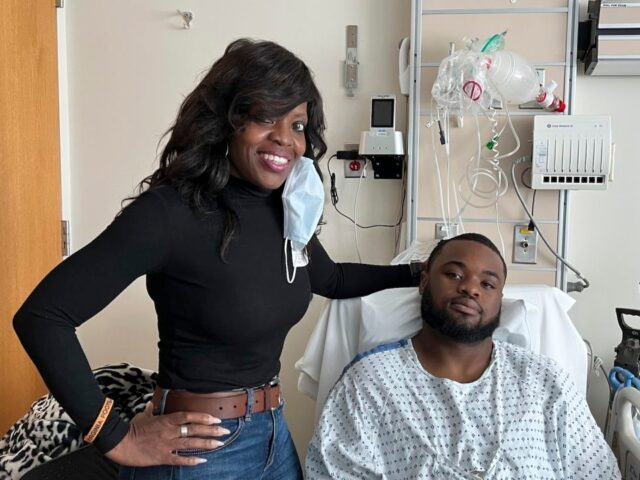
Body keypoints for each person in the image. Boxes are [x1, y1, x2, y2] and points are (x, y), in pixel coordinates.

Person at [13, 38, 422, 480]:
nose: (285, 138)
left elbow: (333, 279)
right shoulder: (170, 213)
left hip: (273, 439)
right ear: (227, 120)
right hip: (198, 452)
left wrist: (420, 273)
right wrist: (117, 437)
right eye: (265, 116)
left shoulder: (287, 212)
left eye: (298, 124)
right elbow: (43, 317)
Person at [306, 233, 621, 479]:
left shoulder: (546, 382)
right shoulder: (369, 383)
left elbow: (597, 471)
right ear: (425, 281)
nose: (471, 289)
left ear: (500, 299)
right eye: (454, 275)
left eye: (487, 283)